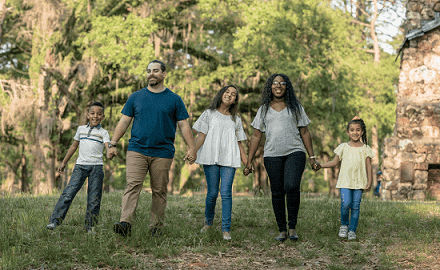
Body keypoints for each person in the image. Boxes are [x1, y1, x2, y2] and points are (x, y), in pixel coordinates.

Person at [108, 60, 196, 237]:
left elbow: (184, 125)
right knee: (133, 185)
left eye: (155, 71)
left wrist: (192, 147)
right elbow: (124, 121)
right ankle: (125, 223)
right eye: (149, 71)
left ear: (164, 74)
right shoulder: (135, 97)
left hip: (163, 152)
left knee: (159, 190)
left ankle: (156, 227)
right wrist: (113, 143)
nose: (151, 74)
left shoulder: (174, 99)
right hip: (137, 149)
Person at [244, 74, 319, 242]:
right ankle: (282, 230)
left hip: (295, 152)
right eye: (274, 83)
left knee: (291, 186)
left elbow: (305, 132)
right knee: (277, 192)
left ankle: (292, 227)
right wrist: (248, 161)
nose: (278, 86)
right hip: (272, 155)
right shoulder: (264, 109)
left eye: (282, 83)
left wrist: (312, 157)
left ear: (287, 86)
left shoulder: (295, 107)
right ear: (270, 87)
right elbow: (256, 136)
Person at [193, 85, 247, 241]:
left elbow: (239, 142)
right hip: (211, 157)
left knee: (226, 193)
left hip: (229, 158)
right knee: (212, 193)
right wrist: (192, 151)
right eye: (227, 92)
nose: (230, 95)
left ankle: (225, 229)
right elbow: (201, 136)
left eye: (234, 94)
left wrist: (245, 160)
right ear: (221, 94)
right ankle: (208, 222)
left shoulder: (235, 119)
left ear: (235, 100)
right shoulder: (208, 114)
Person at [46, 102, 110, 233]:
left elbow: (107, 146)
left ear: (103, 117)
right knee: (68, 193)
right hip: (80, 166)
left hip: (96, 168)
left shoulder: (104, 132)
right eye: (92, 113)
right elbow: (74, 146)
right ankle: (54, 220)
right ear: (87, 115)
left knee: (94, 197)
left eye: (99, 114)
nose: (95, 116)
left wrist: (110, 151)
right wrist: (64, 162)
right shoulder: (81, 129)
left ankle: (90, 226)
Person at [316, 116, 374, 241]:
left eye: (358, 130)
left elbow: (368, 166)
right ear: (347, 132)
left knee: (355, 206)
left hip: (359, 183)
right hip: (345, 181)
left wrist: (369, 181)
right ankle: (344, 225)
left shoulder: (365, 149)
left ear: (362, 132)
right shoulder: (343, 147)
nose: (355, 132)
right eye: (352, 130)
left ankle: (352, 230)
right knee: (346, 203)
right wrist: (321, 165)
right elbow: (334, 162)